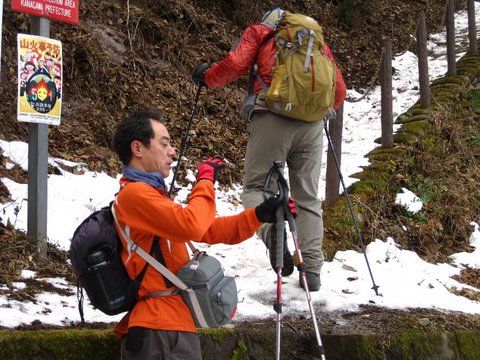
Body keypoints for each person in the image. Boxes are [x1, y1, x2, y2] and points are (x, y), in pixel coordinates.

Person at [111, 108, 293, 359]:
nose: (172, 152)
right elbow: (193, 224)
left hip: (169, 326)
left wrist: (259, 214)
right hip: (159, 330)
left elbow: (207, 230)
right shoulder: (134, 195)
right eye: (164, 144)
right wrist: (205, 182)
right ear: (138, 149)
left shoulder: (150, 195)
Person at [192, 7, 347, 291]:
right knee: (308, 198)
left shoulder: (261, 33)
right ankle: (311, 270)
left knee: (255, 188)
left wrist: (206, 78)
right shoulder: (317, 41)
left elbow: (235, 63)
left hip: (271, 118)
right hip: (312, 126)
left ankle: (271, 232)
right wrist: (311, 112)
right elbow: (339, 92)